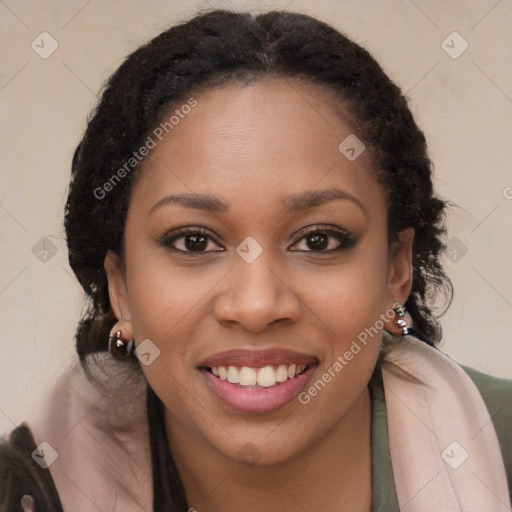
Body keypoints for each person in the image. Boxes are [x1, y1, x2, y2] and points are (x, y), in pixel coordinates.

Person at [1, 8, 510, 512]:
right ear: (120, 286)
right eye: (194, 242)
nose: (257, 305)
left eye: (318, 241)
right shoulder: (28, 489)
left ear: (396, 269)